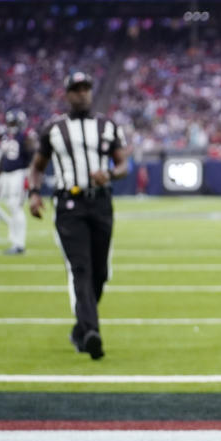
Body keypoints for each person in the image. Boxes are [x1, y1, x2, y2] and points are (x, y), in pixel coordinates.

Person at [27, 71, 129, 360]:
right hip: (69, 205)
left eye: (85, 88)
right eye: (76, 89)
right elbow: (37, 166)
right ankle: (92, 333)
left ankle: (80, 328)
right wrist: (33, 193)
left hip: (100, 203)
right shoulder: (53, 129)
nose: (82, 93)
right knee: (81, 268)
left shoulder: (108, 126)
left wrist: (108, 173)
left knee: (100, 272)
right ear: (67, 94)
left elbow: (123, 164)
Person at [0, 110, 35, 254]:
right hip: (4, 175)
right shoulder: (6, 139)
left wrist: (29, 176)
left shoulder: (25, 137)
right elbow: (0, 161)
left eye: (14, 123)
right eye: (11, 122)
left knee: (15, 206)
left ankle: (18, 244)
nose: (12, 125)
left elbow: (32, 157)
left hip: (19, 174)